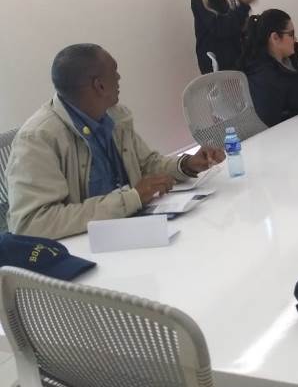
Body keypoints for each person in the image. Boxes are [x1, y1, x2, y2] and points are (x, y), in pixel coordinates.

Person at [6, 44, 225, 240]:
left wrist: (186, 164)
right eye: (115, 71)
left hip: (131, 231)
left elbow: (147, 163)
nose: (119, 78)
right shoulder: (38, 139)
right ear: (99, 86)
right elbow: (30, 223)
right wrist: (131, 199)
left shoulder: (114, 115)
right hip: (85, 248)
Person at [240, 9, 298, 127]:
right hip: (285, 133)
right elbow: (271, 120)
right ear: (275, 38)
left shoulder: (294, 60)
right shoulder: (262, 76)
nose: (295, 39)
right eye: (291, 34)